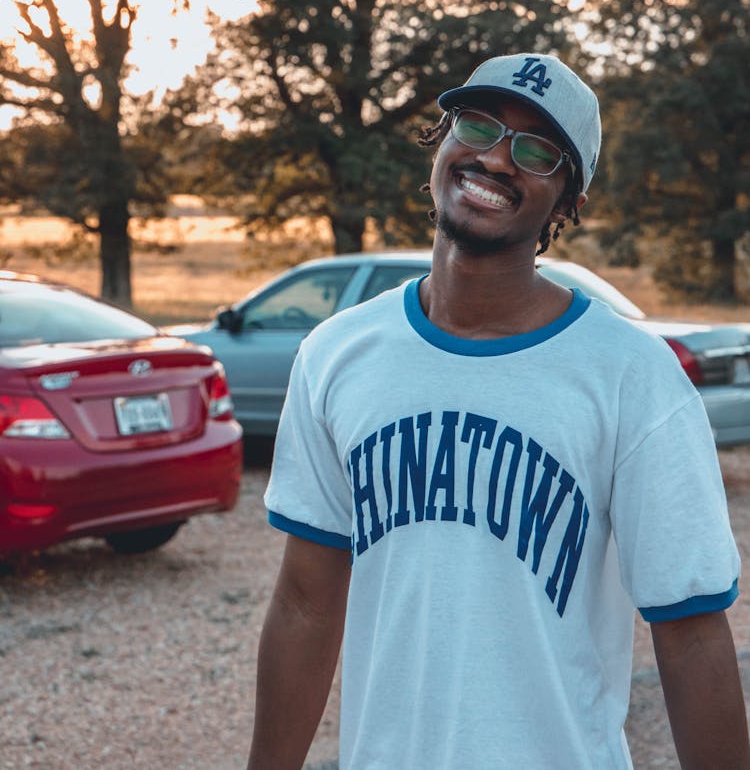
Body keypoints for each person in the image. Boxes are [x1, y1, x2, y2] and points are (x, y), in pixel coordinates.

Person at [248, 52, 750, 770]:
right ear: (442, 139)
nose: (495, 157)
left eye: (537, 149)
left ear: (569, 202)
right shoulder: (337, 353)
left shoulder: (633, 378)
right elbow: (305, 601)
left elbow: (693, 632)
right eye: (478, 123)